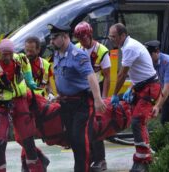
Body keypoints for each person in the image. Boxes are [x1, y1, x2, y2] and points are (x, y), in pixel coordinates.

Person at [0, 39, 48, 172]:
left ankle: (37, 168)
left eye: (10, 54)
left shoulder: (19, 59)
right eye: (4, 54)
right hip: (0, 106)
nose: (7, 57)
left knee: (28, 140)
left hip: (20, 101)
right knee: (0, 142)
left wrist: (29, 79)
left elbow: (26, 64)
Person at [48, 23, 106, 172]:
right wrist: (59, 96)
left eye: (55, 38)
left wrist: (98, 98)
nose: (51, 41)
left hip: (82, 104)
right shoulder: (56, 54)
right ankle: (85, 164)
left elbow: (90, 75)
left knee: (80, 139)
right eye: (51, 38)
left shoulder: (78, 54)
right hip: (66, 104)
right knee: (72, 140)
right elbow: (63, 77)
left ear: (65, 36)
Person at [108, 23, 161, 172]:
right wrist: (132, 88)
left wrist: (114, 94)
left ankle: (142, 160)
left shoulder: (130, 47)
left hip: (149, 88)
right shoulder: (127, 46)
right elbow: (140, 71)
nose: (111, 39)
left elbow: (122, 74)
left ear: (122, 35)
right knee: (138, 122)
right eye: (110, 36)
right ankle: (145, 158)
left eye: (113, 36)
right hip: (141, 86)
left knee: (138, 121)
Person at [73, 21, 111, 171]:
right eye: (79, 39)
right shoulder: (76, 49)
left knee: (96, 125)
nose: (82, 41)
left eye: (84, 38)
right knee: (84, 127)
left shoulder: (102, 51)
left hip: (97, 89)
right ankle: (88, 159)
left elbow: (107, 76)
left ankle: (101, 160)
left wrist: (103, 97)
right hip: (81, 91)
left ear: (90, 35)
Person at [20, 36, 52, 172]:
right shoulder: (20, 64)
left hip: (41, 105)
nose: (28, 53)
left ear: (38, 50)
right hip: (24, 104)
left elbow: (48, 83)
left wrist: (51, 94)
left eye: (31, 51)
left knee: (26, 136)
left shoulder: (45, 64)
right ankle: (30, 162)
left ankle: (29, 163)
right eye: (26, 50)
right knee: (24, 135)